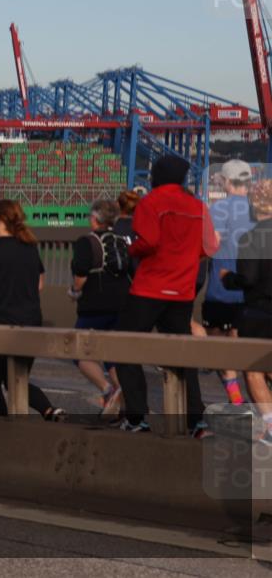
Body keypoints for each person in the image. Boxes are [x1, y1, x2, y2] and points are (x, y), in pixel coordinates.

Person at [114, 155, 218, 435]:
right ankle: (197, 420)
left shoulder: (151, 202)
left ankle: (137, 418)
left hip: (149, 288)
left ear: (156, 176)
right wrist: (185, 257)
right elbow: (210, 247)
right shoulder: (198, 206)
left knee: (124, 348)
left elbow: (149, 241)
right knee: (182, 355)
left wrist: (132, 250)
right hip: (182, 292)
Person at [0, 199, 65, 419]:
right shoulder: (30, 248)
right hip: (30, 322)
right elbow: (39, 284)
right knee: (16, 380)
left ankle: (3, 428)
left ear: (0, 220)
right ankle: (49, 410)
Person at [221, 179, 272, 440]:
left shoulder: (252, 237)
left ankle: (270, 425)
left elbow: (249, 278)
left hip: (260, 311)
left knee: (253, 370)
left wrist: (227, 277)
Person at [68, 199, 127, 418]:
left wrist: (74, 292)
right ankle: (123, 398)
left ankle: (107, 388)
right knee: (112, 354)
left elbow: (81, 273)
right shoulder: (122, 240)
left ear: (94, 218)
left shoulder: (87, 242)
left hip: (95, 304)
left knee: (77, 349)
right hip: (121, 303)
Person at [203, 159, 254, 405]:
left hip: (222, 289)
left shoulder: (219, 208)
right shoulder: (260, 208)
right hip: (253, 291)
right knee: (247, 345)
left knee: (218, 345)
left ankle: (235, 398)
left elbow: (211, 244)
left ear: (225, 181)